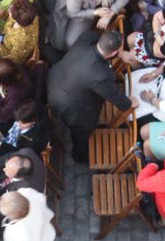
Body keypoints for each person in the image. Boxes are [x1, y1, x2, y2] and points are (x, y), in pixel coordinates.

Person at [47, 30, 131, 164]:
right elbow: (116, 98)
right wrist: (129, 103)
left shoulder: (87, 36)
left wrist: (119, 53)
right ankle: (79, 156)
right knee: (81, 131)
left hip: (55, 79)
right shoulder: (101, 75)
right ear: (114, 53)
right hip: (68, 105)